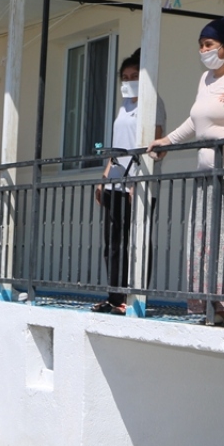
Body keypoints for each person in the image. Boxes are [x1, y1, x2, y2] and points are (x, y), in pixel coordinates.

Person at [149, 17, 224, 327]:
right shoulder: (205, 80)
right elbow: (196, 122)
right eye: (200, 46)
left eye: (209, 44)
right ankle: (213, 305)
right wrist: (168, 140)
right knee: (210, 239)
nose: (203, 50)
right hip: (209, 175)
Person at [93, 48, 165, 315]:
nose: (129, 80)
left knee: (136, 243)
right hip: (116, 182)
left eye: (134, 76)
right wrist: (104, 179)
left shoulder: (152, 103)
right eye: (125, 77)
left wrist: (138, 182)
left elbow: (154, 146)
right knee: (113, 244)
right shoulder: (124, 106)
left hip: (138, 184)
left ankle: (135, 297)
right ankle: (115, 297)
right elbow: (117, 146)